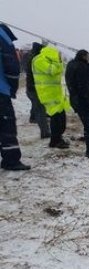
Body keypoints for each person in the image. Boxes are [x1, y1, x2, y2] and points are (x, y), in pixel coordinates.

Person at [0, 24, 30, 170]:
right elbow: (11, 64)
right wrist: (12, 87)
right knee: (6, 126)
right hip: (1, 90)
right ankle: (11, 160)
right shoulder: (2, 35)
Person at [65, 49, 89, 158]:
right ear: (83, 56)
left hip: (75, 99)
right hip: (84, 100)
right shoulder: (83, 68)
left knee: (88, 124)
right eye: (88, 56)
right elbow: (85, 88)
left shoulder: (71, 65)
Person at [32, 46, 70, 149]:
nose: (59, 57)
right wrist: (57, 61)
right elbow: (52, 71)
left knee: (61, 118)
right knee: (56, 119)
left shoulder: (49, 60)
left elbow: (60, 70)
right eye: (58, 55)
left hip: (55, 93)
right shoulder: (39, 60)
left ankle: (58, 138)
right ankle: (55, 141)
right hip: (47, 94)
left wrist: (58, 62)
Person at [24, 42, 50, 139]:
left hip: (31, 87)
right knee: (40, 110)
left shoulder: (31, 58)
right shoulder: (36, 60)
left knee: (36, 106)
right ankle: (45, 132)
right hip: (34, 88)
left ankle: (33, 117)